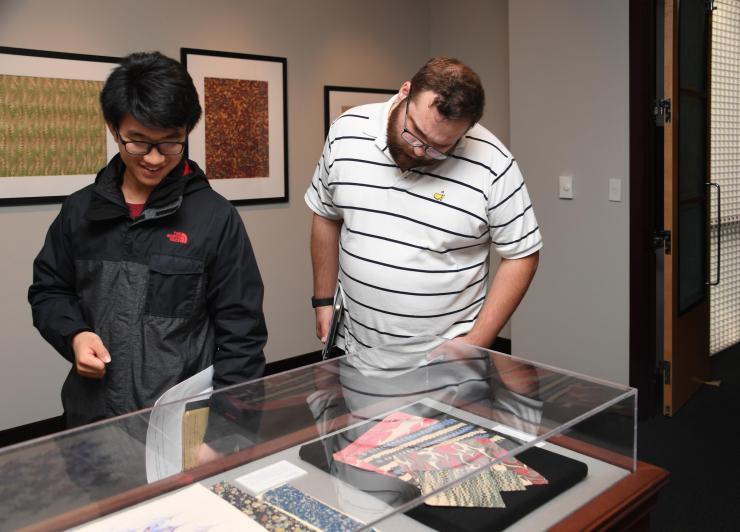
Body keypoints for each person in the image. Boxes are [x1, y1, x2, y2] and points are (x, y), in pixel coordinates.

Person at [28, 52, 267, 439]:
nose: (155, 159)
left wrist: (225, 435)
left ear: (187, 131)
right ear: (113, 127)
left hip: (178, 424)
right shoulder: (79, 211)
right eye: (138, 142)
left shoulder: (215, 218)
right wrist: (74, 334)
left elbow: (242, 336)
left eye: (170, 144)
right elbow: (49, 290)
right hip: (92, 419)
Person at [306, 57, 541, 354]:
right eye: (414, 131)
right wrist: (323, 302)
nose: (419, 151)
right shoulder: (346, 132)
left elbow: (522, 255)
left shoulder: (494, 163)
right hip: (354, 347)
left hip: (445, 360)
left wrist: (476, 342)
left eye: (439, 147)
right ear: (405, 91)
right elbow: (326, 216)